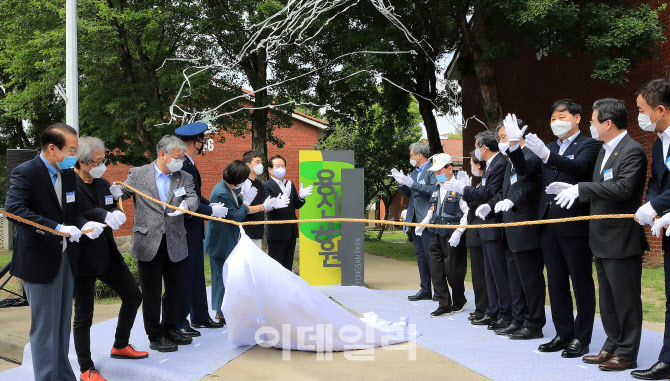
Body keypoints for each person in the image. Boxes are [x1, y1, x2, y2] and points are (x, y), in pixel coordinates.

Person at [549, 97, 648, 371]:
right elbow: (598, 187)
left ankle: (627, 352)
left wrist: (582, 189)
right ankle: (612, 344)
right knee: (607, 298)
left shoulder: (632, 150)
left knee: (625, 299)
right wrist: (572, 190)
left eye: (593, 121)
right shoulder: (605, 151)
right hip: (601, 237)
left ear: (607, 123)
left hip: (621, 238)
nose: (591, 126)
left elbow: (624, 188)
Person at [5, 123, 105, 381]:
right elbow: (15, 210)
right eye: (72, 149)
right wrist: (57, 228)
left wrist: (85, 225)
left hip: (65, 258)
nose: (75, 154)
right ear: (52, 149)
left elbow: (73, 213)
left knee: (61, 326)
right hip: (39, 259)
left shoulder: (68, 174)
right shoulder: (25, 172)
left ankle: (63, 375)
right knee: (45, 328)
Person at [519, 99, 600, 357]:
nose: (556, 122)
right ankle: (563, 333)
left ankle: (582, 337)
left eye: (561, 117)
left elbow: (580, 168)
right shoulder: (549, 146)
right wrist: (512, 148)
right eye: (552, 118)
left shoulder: (589, 145)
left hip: (574, 223)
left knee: (580, 281)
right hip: (548, 223)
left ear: (576, 118)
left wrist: (547, 156)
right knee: (555, 282)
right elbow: (527, 171)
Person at [110, 135, 200, 353]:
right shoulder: (139, 174)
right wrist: (114, 193)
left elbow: (194, 196)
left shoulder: (184, 176)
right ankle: (155, 334)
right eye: (177, 157)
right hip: (148, 241)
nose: (180, 161)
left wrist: (188, 205)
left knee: (175, 289)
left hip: (175, 240)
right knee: (151, 292)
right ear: (163, 155)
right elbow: (124, 192)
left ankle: (170, 328)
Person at [71, 137, 147, 381]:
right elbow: (72, 213)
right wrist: (101, 214)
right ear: (83, 162)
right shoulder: (68, 184)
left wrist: (115, 210)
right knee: (84, 314)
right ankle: (86, 367)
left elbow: (110, 204)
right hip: (82, 257)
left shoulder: (102, 183)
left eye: (104, 160)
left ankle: (120, 344)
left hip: (106, 253)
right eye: (98, 161)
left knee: (133, 296)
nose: (102, 165)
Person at [205, 160, 288, 321]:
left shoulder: (230, 189)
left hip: (229, 238)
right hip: (219, 241)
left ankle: (227, 308)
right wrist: (247, 202)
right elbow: (236, 215)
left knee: (230, 276)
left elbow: (241, 207)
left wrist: (260, 206)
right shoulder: (221, 191)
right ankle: (220, 311)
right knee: (221, 277)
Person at [446, 130, 510, 330]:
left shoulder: (500, 163)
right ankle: (492, 311)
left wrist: (463, 190)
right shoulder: (493, 164)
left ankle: (503, 313)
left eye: (475, 146)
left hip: (494, 225)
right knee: (490, 274)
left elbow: (489, 192)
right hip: (485, 226)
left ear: (483, 147)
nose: (475, 151)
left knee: (498, 274)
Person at [489, 115, 546, 340]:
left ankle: (534, 323)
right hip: (510, 229)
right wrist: (490, 205)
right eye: (501, 137)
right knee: (515, 279)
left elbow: (529, 184)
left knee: (530, 279)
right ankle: (518, 318)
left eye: (505, 136)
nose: (502, 141)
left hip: (526, 228)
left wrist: (512, 201)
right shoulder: (510, 163)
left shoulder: (530, 156)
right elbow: (504, 192)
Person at [174, 122, 229, 336]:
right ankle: (180, 320)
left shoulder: (190, 163)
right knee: (186, 274)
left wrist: (209, 205)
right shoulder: (182, 165)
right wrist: (209, 210)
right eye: (201, 141)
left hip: (195, 226)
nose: (202, 144)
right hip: (185, 226)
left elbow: (195, 194)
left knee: (197, 273)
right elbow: (183, 197)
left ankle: (200, 316)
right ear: (196, 142)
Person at [632, 78, 670, 380]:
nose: (641, 117)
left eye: (643, 110)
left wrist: (658, 207)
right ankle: (667, 359)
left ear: (660, 109)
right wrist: (652, 205)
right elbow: (658, 180)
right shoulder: (659, 142)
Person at [415, 153, 469, 318]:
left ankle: (459, 299)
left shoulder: (460, 188)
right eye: (435, 172)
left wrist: (459, 231)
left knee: (453, 271)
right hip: (435, 234)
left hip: (452, 236)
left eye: (440, 171)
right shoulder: (436, 189)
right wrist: (423, 224)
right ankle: (444, 304)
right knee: (436, 270)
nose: (437, 174)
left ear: (449, 168)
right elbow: (433, 210)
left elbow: (468, 213)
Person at [391, 142, 436, 301]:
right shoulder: (414, 172)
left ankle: (438, 290)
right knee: (420, 255)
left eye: (411, 155)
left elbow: (432, 191)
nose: (410, 158)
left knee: (430, 255)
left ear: (419, 155)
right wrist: (401, 182)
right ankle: (425, 289)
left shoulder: (432, 170)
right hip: (414, 217)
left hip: (426, 218)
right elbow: (409, 193)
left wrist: (412, 183)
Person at [263, 154, 312, 271]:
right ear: (270, 170)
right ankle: (274, 289)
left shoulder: (289, 184)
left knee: (288, 264)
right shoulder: (266, 186)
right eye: (277, 166)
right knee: (276, 266)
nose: (281, 168)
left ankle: (287, 289)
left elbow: (296, 205)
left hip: (291, 231)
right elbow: (266, 206)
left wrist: (301, 197)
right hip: (276, 233)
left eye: (283, 166)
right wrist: (275, 204)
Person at [465, 151, 489, 322]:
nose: (471, 167)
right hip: (475, 233)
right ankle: (481, 308)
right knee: (477, 276)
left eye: (472, 164)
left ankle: (484, 310)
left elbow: (479, 204)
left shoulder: (485, 183)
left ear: (478, 165)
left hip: (481, 233)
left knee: (482, 276)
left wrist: (467, 192)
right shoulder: (481, 182)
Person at [241, 150, 268, 249]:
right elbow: (243, 209)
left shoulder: (259, 184)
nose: (260, 165)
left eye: (261, 162)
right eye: (257, 162)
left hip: (257, 231)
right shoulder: (241, 183)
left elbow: (262, 204)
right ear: (247, 165)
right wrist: (262, 207)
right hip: (244, 231)